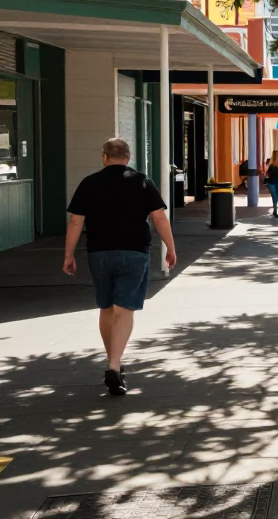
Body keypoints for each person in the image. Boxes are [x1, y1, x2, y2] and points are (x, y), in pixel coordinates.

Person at [63, 138, 177, 396]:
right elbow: (159, 217)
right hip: (134, 251)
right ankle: (114, 364)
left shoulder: (89, 183)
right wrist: (170, 247)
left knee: (106, 307)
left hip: (99, 252)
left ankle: (112, 361)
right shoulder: (142, 181)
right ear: (128, 156)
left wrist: (68, 255)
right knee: (124, 309)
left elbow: (75, 222)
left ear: (104, 157)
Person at [263, 150, 278, 218]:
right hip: (273, 182)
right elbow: (268, 173)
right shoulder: (272, 163)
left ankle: (275, 209)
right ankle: (275, 210)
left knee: (277, 195)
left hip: (276, 181)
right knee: (275, 195)